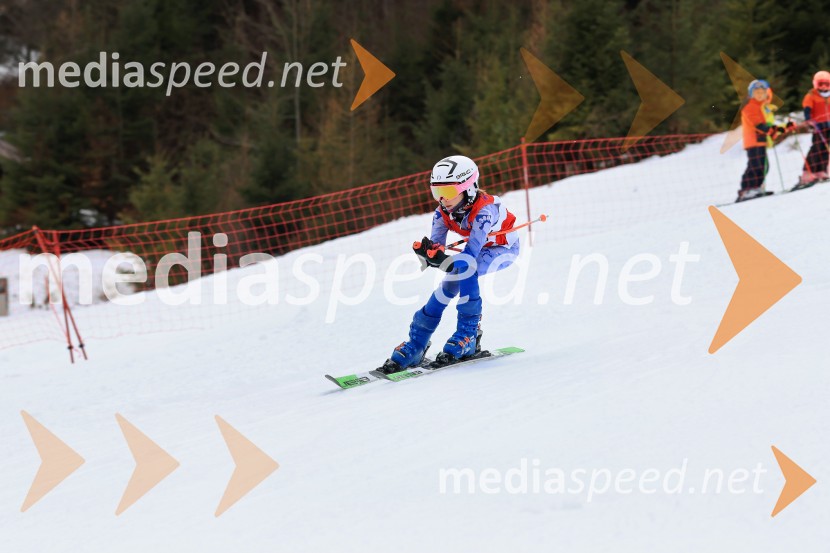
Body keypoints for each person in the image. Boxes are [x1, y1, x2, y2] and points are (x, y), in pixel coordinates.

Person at [379, 155, 520, 373]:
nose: (442, 199)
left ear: (469, 188)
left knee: (465, 270)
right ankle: (417, 343)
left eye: (448, 192)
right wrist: (430, 253)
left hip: (502, 250)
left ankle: (468, 334)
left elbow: (470, 256)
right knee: (448, 285)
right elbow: (438, 246)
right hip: (475, 251)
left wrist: (444, 261)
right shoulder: (442, 212)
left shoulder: (484, 212)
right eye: (437, 192)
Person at [737, 79, 781, 202]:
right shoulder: (749, 107)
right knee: (755, 165)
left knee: (763, 166)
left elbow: (767, 123)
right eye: (757, 92)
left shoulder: (763, 107)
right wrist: (769, 129)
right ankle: (747, 189)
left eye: (762, 92)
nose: (760, 95)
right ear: (751, 94)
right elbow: (758, 124)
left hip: (760, 141)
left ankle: (756, 187)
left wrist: (773, 130)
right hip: (752, 141)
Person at [800, 70, 830, 184]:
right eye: (820, 84)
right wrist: (809, 119)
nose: (823, 87)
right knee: (816, 148)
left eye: (826, 84)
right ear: (816, 84)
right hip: (818, 126)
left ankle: (821, 170)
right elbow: (807, 109)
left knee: (826, 149)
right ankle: (808, 172)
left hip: (829, 125)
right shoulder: (812, 95)